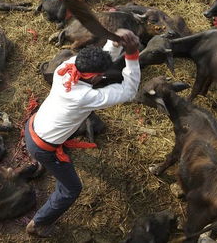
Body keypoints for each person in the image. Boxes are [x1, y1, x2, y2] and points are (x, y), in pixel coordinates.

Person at [25, 29, 141, 237]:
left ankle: (40, 163)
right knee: (71, 189)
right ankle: (38, 224)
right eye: (102, 75)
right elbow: (129, 91)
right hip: (43, 147)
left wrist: (116, 43)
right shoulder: (84, 96)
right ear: (97, 77)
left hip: (33, 125)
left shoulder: (67, 66)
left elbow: (97, 61)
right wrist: (131, 54)